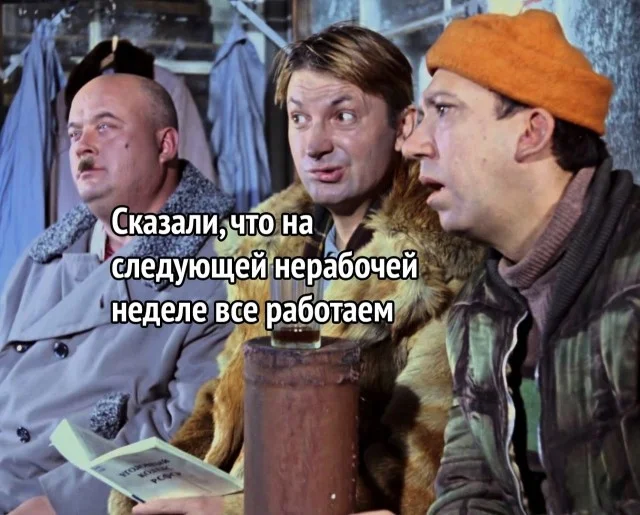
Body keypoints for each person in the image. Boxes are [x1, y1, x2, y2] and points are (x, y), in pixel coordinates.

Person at [108, 23, 485, 515]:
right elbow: (225, 399)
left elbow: (414, 473)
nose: (315, 144)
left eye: (344, 116)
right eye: (299, 118)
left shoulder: (439, 271)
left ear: (404, 126)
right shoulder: (270, 250)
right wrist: (163, 475)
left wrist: (231, 510)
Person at [400, 8, 640, 515]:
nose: (415, 144)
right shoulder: (479, 310)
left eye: (443, 111)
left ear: (531, 132)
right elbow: (474, 490)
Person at [0, 74, 234, 515]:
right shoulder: (43, 257)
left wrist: (62, 502)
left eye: (105, 127)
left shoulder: (224, 262)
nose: (82, 147)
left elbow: (192, 423)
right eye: (75, 133)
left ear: (165, 145)